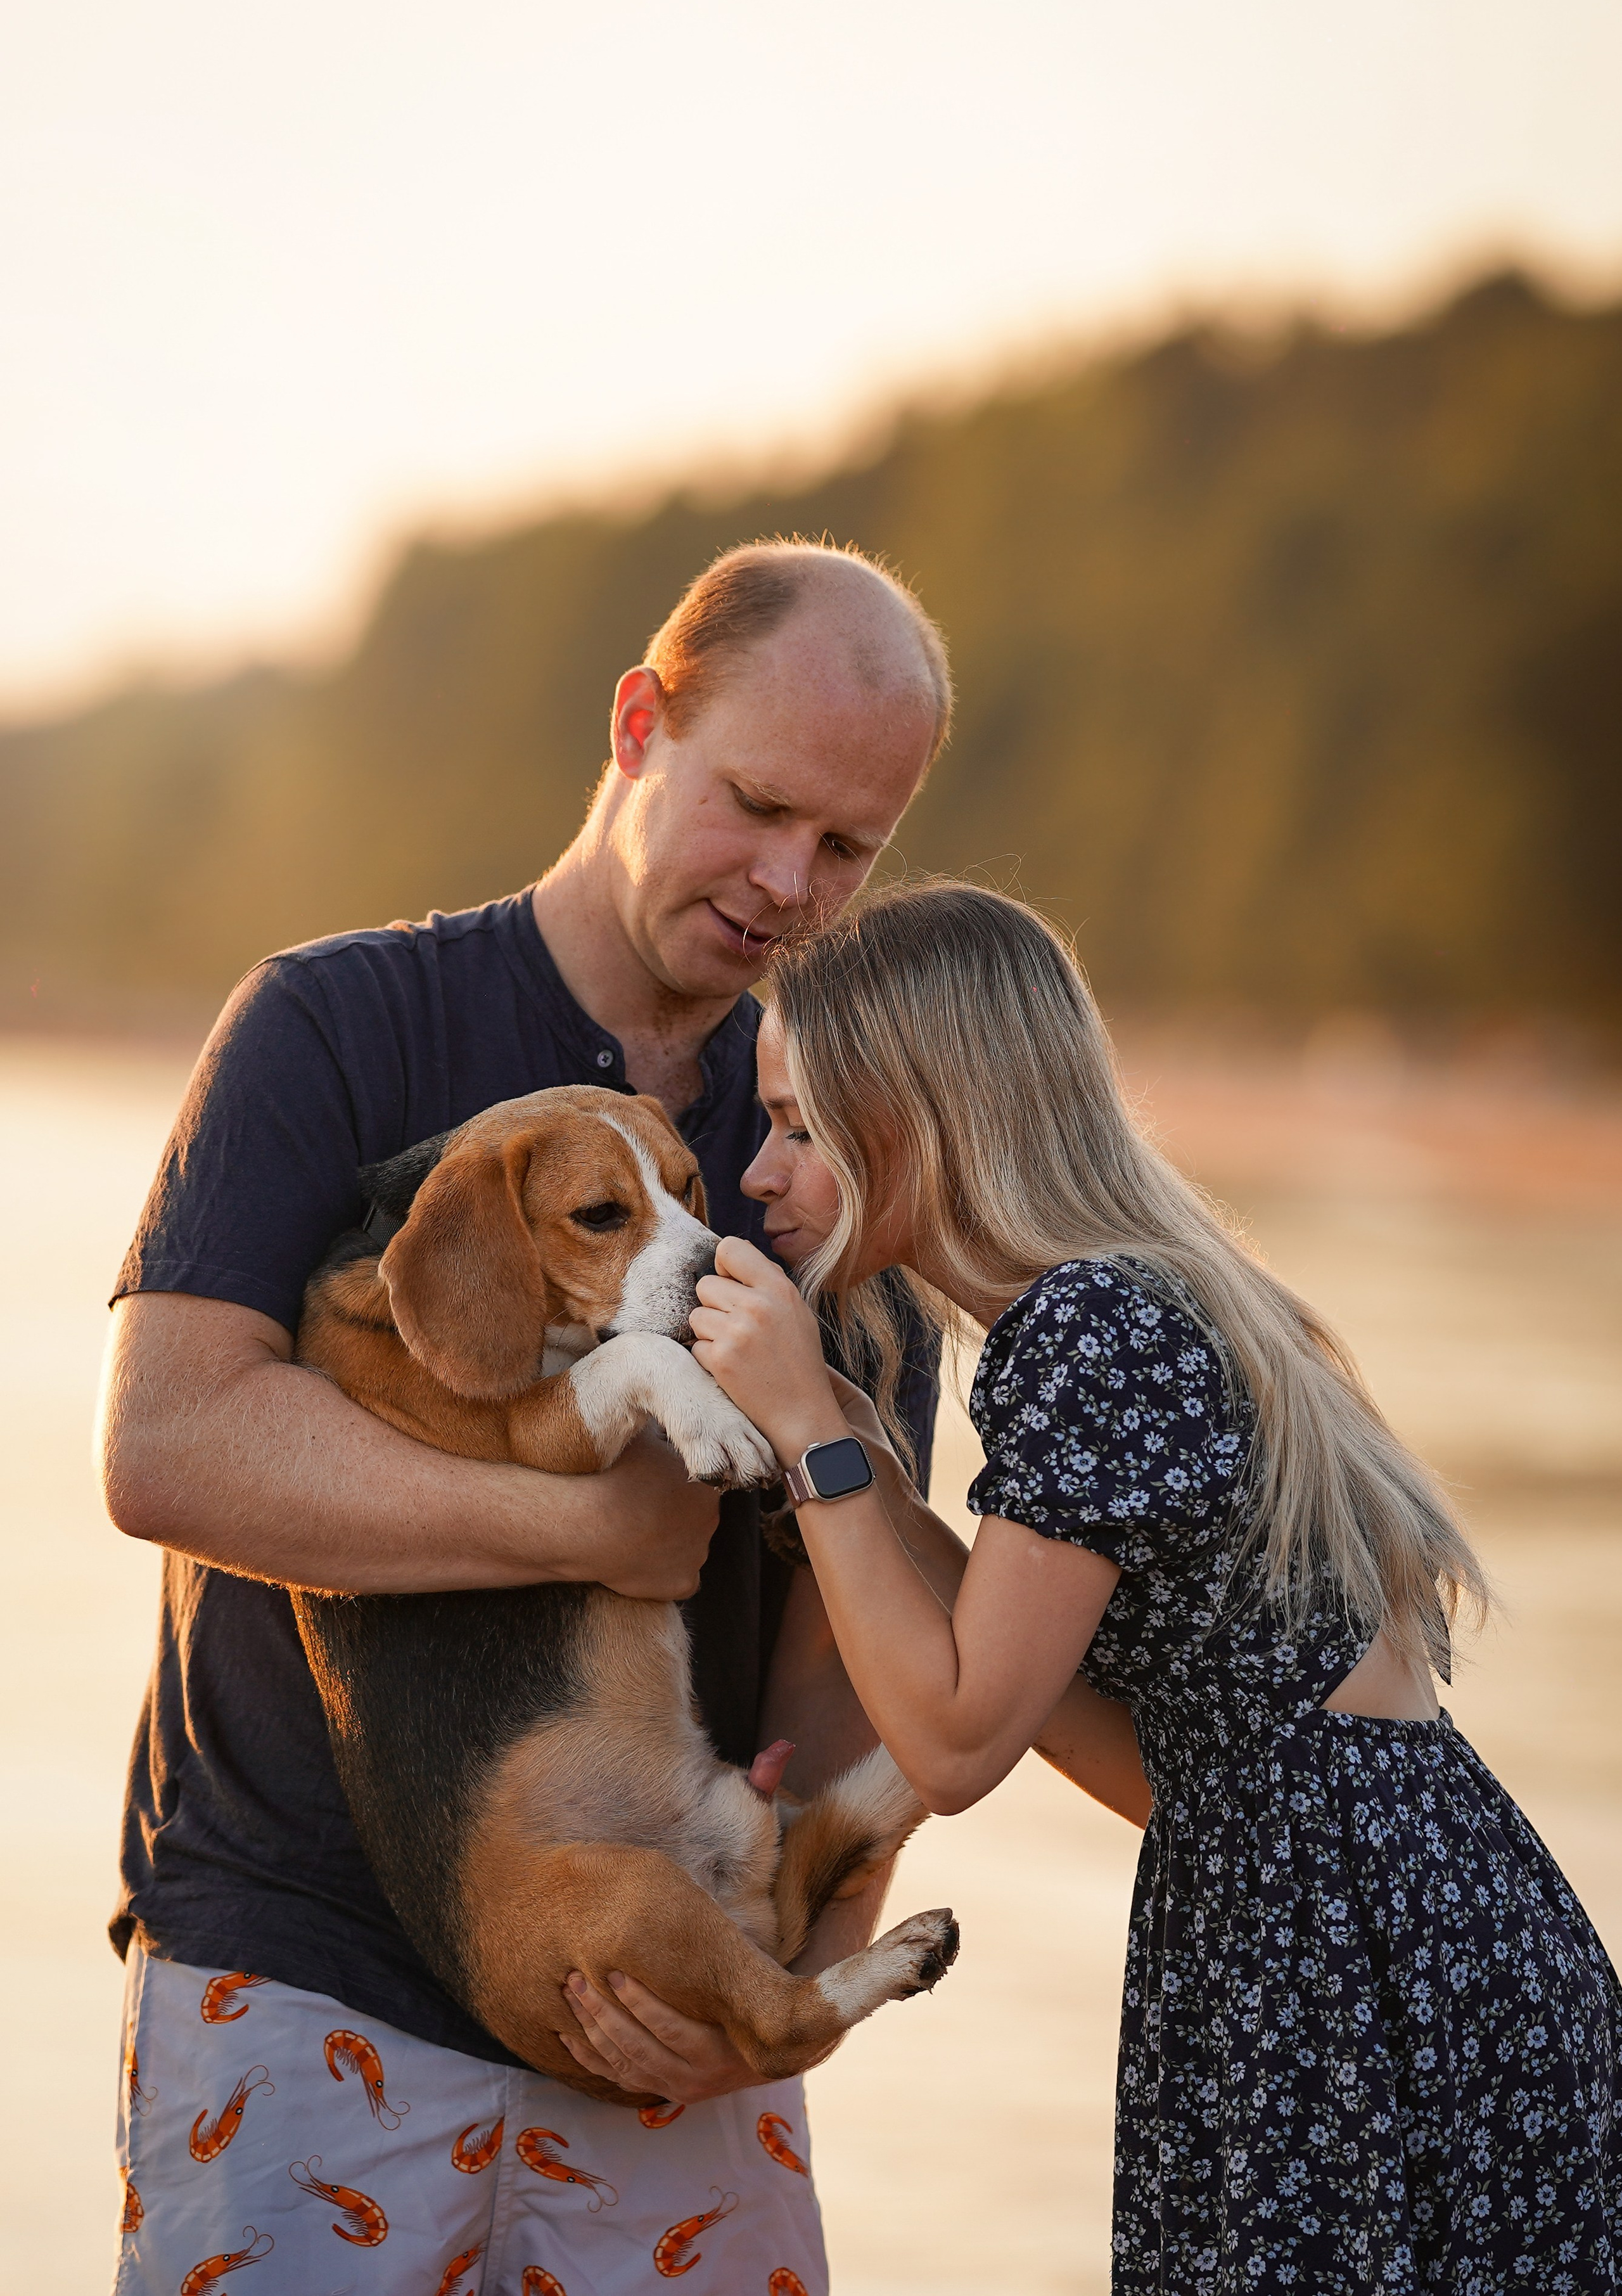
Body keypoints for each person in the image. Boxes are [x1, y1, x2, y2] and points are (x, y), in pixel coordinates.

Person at [97, 541, 959, 2296]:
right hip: (296, 1974)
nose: (791, 883)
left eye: (850, 847)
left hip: (679, 2009)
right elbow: (167, 1449)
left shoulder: (841, 1147)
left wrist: (783, 1979)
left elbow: (847, 1636)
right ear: (642, 720)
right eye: (760, 804)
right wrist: (593, 1523)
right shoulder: (335, 1025)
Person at [678, 878, 1622, 2295]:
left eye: (801, 1125)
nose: (760, 1171)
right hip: (1386, 1926)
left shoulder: (1085, 1333)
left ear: (920, 1121)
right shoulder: (1137, 1297)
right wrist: (859, 1468)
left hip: (1338, 1968)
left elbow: (951, 1741)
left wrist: (812, 1431)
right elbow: (1167, 1770)